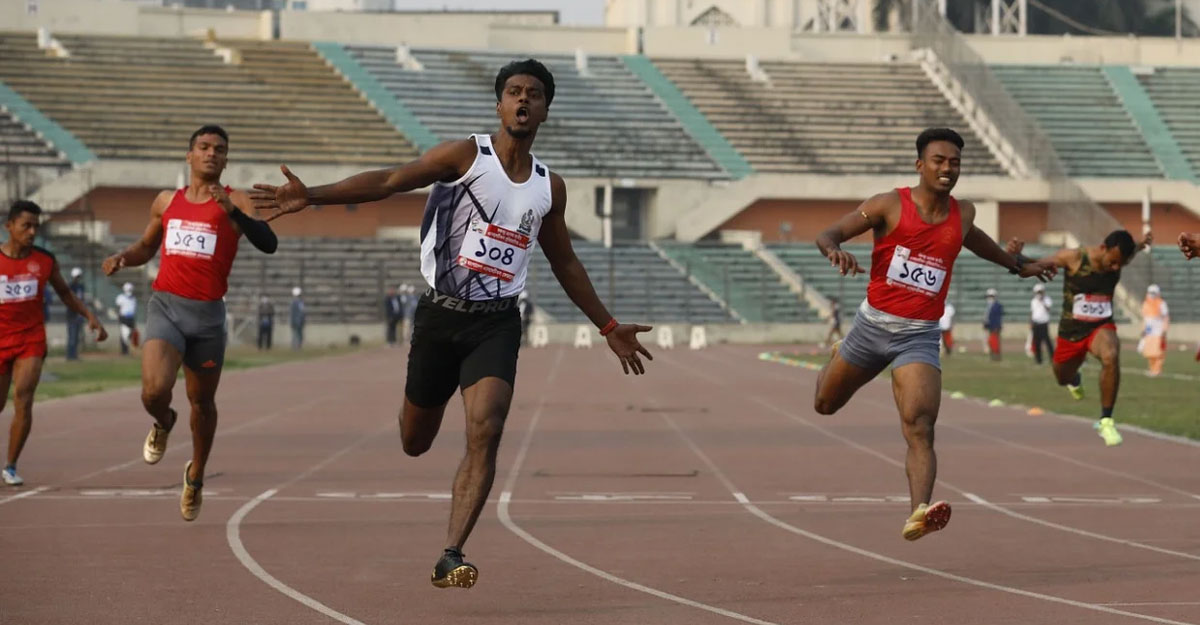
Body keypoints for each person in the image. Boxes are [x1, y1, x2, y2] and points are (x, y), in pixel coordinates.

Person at [251, 58, 654, 589]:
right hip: (441, 316)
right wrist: (314, 196)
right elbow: (390, 181)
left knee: (486, 427)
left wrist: (608, 326)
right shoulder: (465, 157)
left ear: (545, 111)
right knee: (414, 440)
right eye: (514, 91)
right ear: (499, 104)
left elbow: (565, 262)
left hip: (497, 323)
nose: (523, 99)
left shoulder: (548, 187)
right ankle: (417, 404)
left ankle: (452, 553)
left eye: (534, 94)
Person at [813, 128, 1055, 542]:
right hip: (872, 328)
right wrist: (834, 249)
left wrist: (1017, 265)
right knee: (824, 404)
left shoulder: (964, 214)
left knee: (920, 425)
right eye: (939, 161)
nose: (947, 169)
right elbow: (828, 233)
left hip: (919, 337)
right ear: (920, 165)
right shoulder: (888, 204)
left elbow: (975, 241)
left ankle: (919, 512)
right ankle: (840, 353)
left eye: (955, 163)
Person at [101, 125, 278, 520]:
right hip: (166, 306)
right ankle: (164, 421)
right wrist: (123, 258)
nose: (211, 153)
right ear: (190, 155)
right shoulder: (167, 201)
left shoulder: (237, 199)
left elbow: (269, 243)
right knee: (153, 392)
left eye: (219, 149)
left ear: (226, 159)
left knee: (203, 403)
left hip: (207, 317)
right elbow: (147, 246)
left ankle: (195, 476)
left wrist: (233, 211)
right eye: (204, 147)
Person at [1007, 230, 1151, 447]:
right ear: (1103, 248)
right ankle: (1074, 379)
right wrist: (1017, 256)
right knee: (1062, 378)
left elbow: (1134, 250)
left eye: (1120, 265)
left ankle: (1106, 420)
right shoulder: (1074, 257)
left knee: (1111, 354)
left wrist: (1142, 243)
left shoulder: (1122, 257)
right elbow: (1040, 264)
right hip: (1071, 333)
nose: (1115, 268)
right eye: (1112, 262)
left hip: (1100, 327)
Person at [2, 200, 108, 485]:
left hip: (30, 338)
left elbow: (65, 294)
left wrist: (90, 316)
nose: (32, 232)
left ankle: (10, 466)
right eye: (26, 226)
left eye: (36, 226)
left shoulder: (44, 260)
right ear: (9, 226)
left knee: (24, 397)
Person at [1139, 284, 1168, 377]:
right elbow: (1145, 319)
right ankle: (1152, 369)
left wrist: (1164, 329)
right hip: (1149, 331)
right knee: (1149, 352)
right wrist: (1143, 330)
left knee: (1158, 352)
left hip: (1158, 330)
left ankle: (1157, 370)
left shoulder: (1161, 303)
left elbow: (1165, 317)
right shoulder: (1145, 304)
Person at [65, 267, 86, 360]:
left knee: (76, 337)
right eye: (77, 277)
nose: (78, 279)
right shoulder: (70, 287)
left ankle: (74, 355)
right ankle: (70, 355)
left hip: (79, 314)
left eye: (79, 277)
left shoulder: (81, 287)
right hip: (72, 314)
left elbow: (82, 300)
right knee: (72, 336)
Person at [1029, 283, 1054, 364]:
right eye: (1038, 292)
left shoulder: (1047, 299)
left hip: (1044, 323)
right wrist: (1031, 322)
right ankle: (1038, 360)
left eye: (1040, 292)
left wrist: (1042, 301)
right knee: (1037, 342)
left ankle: (1052, 358)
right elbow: (1032, 312)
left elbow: (1048, 309)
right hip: (1036, 323)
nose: (1039, 294)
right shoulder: (1033, 301)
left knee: (1047, 341)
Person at [115, 282, 138, 355]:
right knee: (124, 334)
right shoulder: (121, 297)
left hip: (131, 318)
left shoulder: (134, 299)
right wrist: (119, 317)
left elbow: (134, 310)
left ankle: (128, 350)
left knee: (130, 334)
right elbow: (118, 308)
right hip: (124, 318)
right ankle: (124, 351)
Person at [983, 288, 1003, 361]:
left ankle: (996, 356)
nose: (989, 298)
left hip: (995, 327)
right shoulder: (989, 306)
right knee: (990, 342)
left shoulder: (997, 306)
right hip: (989, 326)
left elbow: (998, 317)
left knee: (995, 342)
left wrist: (997, 326)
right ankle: (992, 355)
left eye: (991, 296)